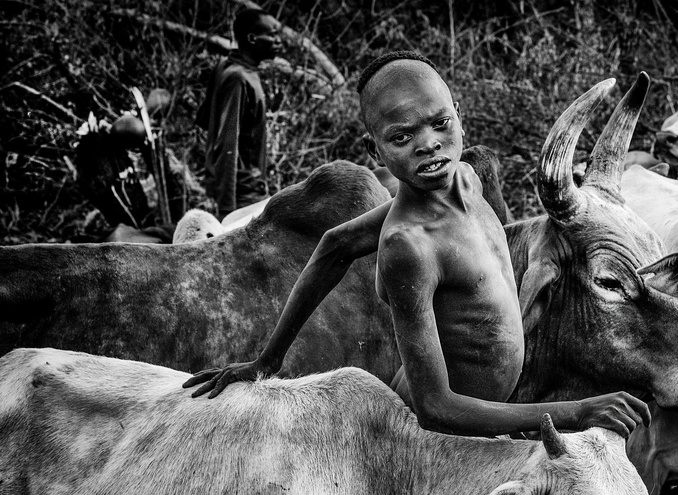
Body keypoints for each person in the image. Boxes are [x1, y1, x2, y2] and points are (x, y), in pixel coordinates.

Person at [185, 50, 647, 439]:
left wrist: (267, 358)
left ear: (458, 115)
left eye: (439, 123)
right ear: (375, 151)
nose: (429, 145)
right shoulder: (409, 246)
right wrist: (576, 411)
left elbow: (335, 243)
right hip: (431, 439)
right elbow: (435, 408)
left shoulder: (467, 179)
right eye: (402, 137)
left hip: (485, 419)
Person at [197, 8, 282, 216]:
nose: (279, 41)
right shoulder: (238, 78)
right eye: (272, 35)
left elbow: (203, 118)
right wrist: (227, 208)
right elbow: (227, 144)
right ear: (252, 38)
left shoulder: (229, 67)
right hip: (243, 195)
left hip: (248, 187)